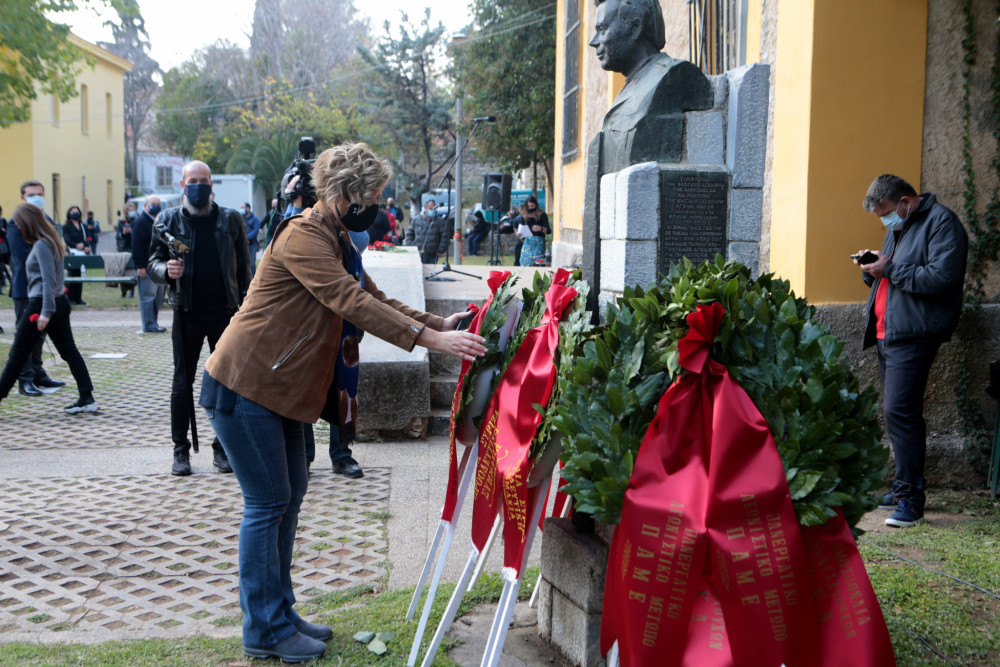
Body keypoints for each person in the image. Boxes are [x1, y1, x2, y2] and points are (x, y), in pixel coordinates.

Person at [198, 143, 486, 662]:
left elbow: (369, 293)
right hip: (245, 387)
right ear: (348, 194)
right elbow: (347, 300)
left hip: (278, 389)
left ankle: (279, 613)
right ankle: (263, 628)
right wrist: (429, 342)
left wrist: (437, 323)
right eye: (372, 195)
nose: (377, 204)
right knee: (267, 504)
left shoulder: (335, 237)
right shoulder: (303, 236)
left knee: (289, 494)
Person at [856, 174, 968, 528]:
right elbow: (893, 272)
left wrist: (887, 267)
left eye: (886, 213)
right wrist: (871, 269)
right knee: (898, 414)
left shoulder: (943, 223)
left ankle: (912, 502)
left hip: (914, 333)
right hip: (889, 331)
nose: (884, 222)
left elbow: (940, 278)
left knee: (900, 412)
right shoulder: (900, 225)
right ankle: (904, 487)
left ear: (904, 202)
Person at [148, 160, 250, 477]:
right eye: (193, 180)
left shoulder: (231, 220)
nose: (199, 185)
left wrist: (249, 309)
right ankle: (181, 452)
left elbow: (245, 271)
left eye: (204, 180)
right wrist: (166, 271)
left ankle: (224, 448)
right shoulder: (166, 221)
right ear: (182, 185)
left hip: (225, 314)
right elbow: (152, 261)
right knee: (182, 383)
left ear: (211, 184)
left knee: (227, 382)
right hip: (186, 312)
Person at [0, 204, 98, 414]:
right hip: (58, 302)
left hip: (43, 303)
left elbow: (48, 280)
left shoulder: (43, 245)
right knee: (69, 352)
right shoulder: (50, 240)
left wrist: (45, 312)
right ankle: (87, 397)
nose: (17, 227)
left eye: (18, 223)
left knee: (17, 354)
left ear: (27, 223)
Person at [7, 180, 65, 396]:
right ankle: (25, 379)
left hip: (46, 288)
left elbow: (57, 251)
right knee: (25, 336)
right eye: (32, 194)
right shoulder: (16, 223)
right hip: (26, 288)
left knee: (40, 334)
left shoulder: (46, 220)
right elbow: (23, 256)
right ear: (23, 197)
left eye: (40, 194)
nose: (36, 197)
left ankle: (39, 373)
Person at [132, 196, 166, 334]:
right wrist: (140, 266)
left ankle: (154, 322)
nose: (156, 206)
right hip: (146, 266)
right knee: (148, 297)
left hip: (159, 266)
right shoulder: (141, 222)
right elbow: (137, 245)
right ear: (145, 206)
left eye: (158, 204)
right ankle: (148, 324)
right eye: (153, 204)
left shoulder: (159, 221)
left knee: (158, 297)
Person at [62, 205, 92, 306]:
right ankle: (71, 298)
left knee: (80, 275)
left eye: (77, 211)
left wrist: (86, 246)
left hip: (82, 253)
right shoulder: (66, 227)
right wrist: (76, 245)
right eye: (73, 211)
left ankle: (78, 298)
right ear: (69, 214)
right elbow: (67, 240)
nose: (75, 213)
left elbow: (88, 238)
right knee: (72, 275)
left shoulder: (83, 226)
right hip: (73, 253)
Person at [405, 199, 450, 264]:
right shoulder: (416, 220)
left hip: (433, 255)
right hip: (418, 253)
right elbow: (409, 235)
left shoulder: (440, 222)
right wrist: (410, 246)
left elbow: (445, 237)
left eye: (434, 209)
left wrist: (441, 250)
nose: (432, 210)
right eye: (430, 208)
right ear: (425, 208)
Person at [518, 196, 550, 266]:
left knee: (537, 262)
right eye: (528, 206)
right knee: (524, 260)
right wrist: (520, 234)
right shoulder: (524, 215)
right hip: (528, 241)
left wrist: (541, 228)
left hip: (538, 241)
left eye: (532, 206)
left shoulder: (542, 214)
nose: (530, 208)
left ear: (536, 205)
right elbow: (520, 228)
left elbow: (548, 231)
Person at [116, 204, 136, 298]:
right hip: (124, 248)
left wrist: (133, 232)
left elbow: (140, 235)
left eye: (132, 209)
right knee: (123, 270)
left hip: (133, 247)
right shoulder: (121, 221)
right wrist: (123, 233)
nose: (131, 211)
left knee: (132, 270)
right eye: (129, 209)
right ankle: (123, 291)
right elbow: (118, 237)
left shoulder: (137, 220)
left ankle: (132, 291)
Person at [241, 202, 261, 274]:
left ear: (248, 208)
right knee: (243, 263)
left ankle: (253, 279)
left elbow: (256, 230)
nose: (242, 210)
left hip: (252, 244)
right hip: (243, 243)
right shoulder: (241, 218)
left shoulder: (255, 219)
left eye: (243, 208)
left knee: (252, 263)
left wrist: (247, 238)